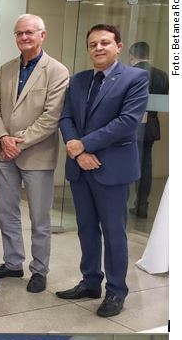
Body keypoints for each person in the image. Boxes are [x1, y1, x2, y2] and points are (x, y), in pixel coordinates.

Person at [58, 24, 149, 317]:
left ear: (119, 46)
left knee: (113, 232)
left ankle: (116, 291)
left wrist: (81, 146)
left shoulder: (135, 78)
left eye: (105, 42)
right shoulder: (79, 79)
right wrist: (76, 148)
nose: (98, 47)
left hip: (112, 169)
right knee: (86, 229)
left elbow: (127, 122)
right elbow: (66, 116)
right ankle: (90, 282)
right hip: (81, 169)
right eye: (93, 43)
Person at [0, 14, 69, 294]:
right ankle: (12, 263)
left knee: (39, 218)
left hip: (37, 155)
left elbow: (51, 117)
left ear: (42, 35)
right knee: (7, 213)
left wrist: (17, 142)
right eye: (19, 33)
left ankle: (39, 269)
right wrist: (2, 138)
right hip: (4, 154)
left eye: (29, 33)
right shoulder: (6, 69)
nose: (24, 38)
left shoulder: (57, 71)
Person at [128, 41, 169, 218]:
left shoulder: (130, 73)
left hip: (131, 125)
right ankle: (142, 205)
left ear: (131, 56)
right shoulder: (161, 75)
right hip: (152, 125)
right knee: (146, 165)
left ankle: (123, 202)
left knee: (126, 163)